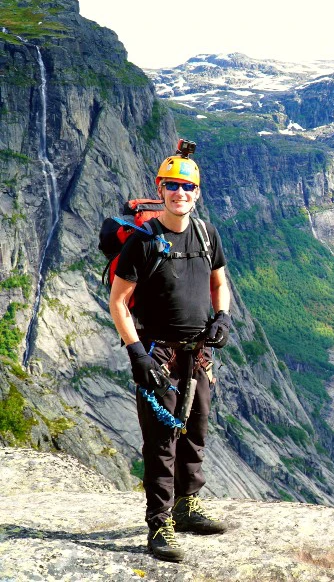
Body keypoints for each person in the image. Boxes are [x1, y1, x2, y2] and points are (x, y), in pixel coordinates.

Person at [109, 144, 233, 562]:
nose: (181, 193)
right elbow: (119, 302)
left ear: (197, 193)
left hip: (197, 355)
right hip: (158, 355)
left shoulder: (205, 234)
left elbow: (220, 283)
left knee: (194, 432)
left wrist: (223, 317)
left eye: (188, 187)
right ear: (160, 190)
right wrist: (137, 355)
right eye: (173, 186)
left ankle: (187, 505)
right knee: (161, 442)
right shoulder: (142, 243)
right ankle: (159, 523)